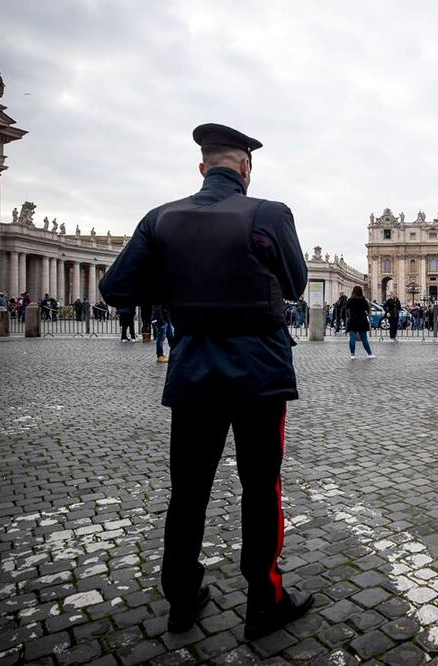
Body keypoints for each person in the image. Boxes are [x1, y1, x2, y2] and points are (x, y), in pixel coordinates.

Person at [98, 123, 311, 639]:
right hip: (260, 375)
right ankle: (264, 599)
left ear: (202, 168)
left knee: (188, 491)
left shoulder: (161, 218)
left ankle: (182, 599)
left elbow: (115, 289)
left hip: (193, 374)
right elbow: (297, 282)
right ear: (245, 167)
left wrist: (176, 280)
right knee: (261, 488)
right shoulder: (269, 214)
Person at [345, 286, 375, 359]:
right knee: (364, 338)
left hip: (352, 320)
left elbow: (346, 308)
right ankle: (370, 354)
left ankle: (352, 354)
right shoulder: (363, 300)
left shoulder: (350, 299)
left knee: (352, 337)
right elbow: (367, 309)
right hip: (362, 320)